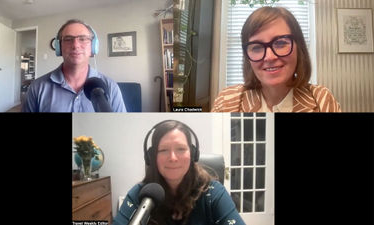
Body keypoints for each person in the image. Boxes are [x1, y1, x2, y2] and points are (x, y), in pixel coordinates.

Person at [113, 120, 246, 225]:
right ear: (152, 157)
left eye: (181, 149)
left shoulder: (213, 193)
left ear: (193, 154)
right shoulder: (139, 195)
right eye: (163, 150)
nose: (173, 158)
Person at [212, 7, 341, 112]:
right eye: (256, 47)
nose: (269, 57)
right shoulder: (226, 101)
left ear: (299, 47)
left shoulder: (322, 99)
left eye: (280, 43)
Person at [22, 19, 126, 112]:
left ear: (93, 47)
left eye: (83, 39)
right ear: (59, 47)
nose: (75, 45)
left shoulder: (111, 87)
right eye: (68, 39)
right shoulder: (37, 87)